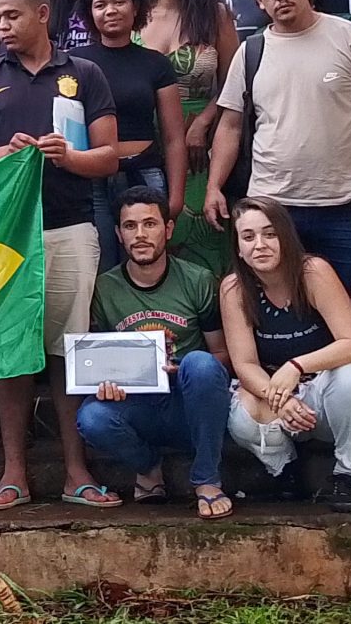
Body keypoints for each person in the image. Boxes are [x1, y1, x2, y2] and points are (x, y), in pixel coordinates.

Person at [0, 0, 122, 511]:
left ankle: (77, 472)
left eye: (9, 17)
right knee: (13, 354)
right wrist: (7, 152)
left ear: (42, 15)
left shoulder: (84, 73)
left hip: (71, 227)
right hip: (4, 237)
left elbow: (110, 157)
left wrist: (67, 157)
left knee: (68, 352)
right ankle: (13, 474)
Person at [204, 0, 351, 287]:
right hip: (272, 208)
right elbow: (230, 125)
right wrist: (213, 186)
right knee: (282, 306)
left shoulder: (350, 36)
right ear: (259, 0)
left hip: (346, 205)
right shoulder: (250, 51)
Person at [76, 188, 231, 517]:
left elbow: (222, 354)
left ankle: (207, 479)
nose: (141, 235)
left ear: (169, 229)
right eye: (130, 226)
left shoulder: (198, 280)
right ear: (118, 234)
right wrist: (106, 384)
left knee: (201, 364)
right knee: (92, 418)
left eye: (150, 224)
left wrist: (182, 367)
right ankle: (148, 468)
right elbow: (97, 361)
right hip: (137, 406)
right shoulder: (104, 288)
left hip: (189, 404)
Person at [221, 196, 351, 512]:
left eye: (270, 234)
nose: (259, 245)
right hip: (280, 399)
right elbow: (245, 364)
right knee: (240, 418)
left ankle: (347, 472)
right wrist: (282, 398)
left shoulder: (313, 272)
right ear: (238, 247)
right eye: (248, 237)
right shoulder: (234, 289)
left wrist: (296, 365)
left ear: (286, 237)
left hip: (325, 394)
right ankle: (284, 468)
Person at [141, 0, 240, 276]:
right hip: (146, 141)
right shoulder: (136, 16)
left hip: (203, 142)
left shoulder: (215, 15)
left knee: (201, 235)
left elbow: (233, 81)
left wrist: (203, 122)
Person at [76, 0, 185, 271]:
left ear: (136, 7)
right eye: (100, 5)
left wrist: (174, 198)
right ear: (90, 12)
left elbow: (174, 137)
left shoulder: (155, 63)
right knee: (101, 265)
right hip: (93, 181)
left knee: (146, 265)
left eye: (119, 2)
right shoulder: (75, 63)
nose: (110, 10)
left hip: (147, 175)